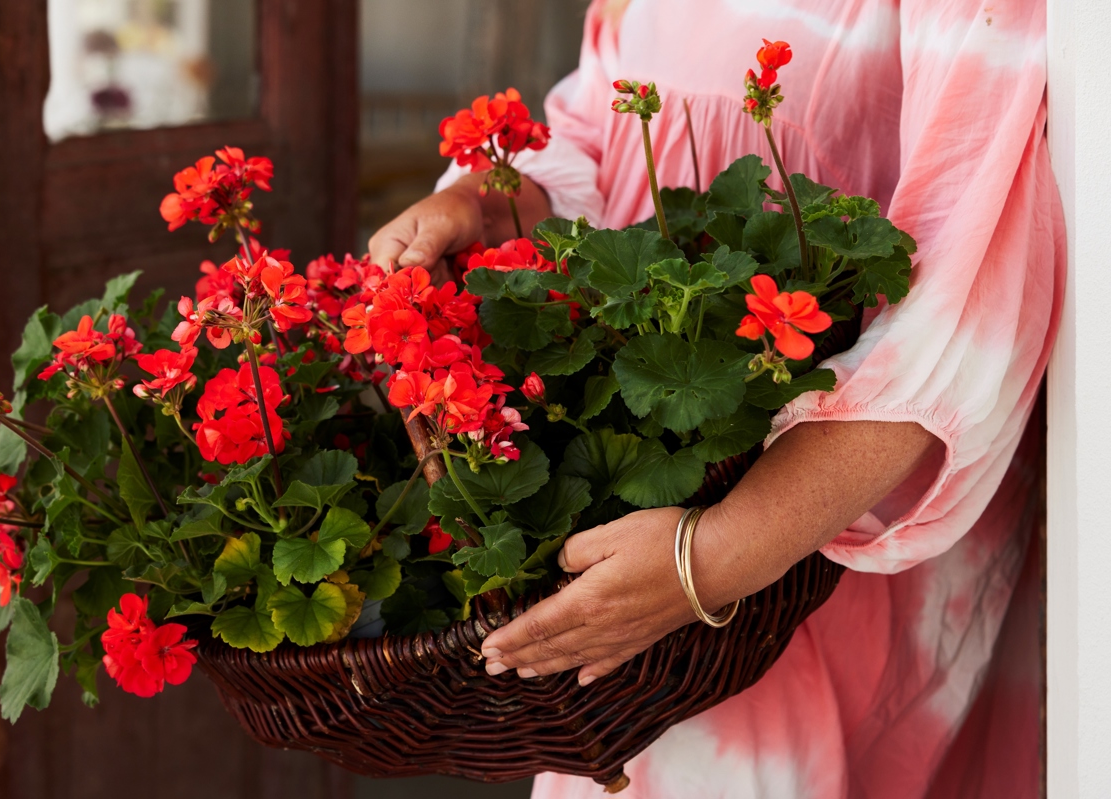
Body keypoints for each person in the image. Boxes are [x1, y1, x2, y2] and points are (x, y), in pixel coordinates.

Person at [368, 0, 1062, 795]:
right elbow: (599, 135)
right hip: (645, 534)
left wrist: (711, 557)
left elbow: (964, 286)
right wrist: (483, 205)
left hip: (814, 535)